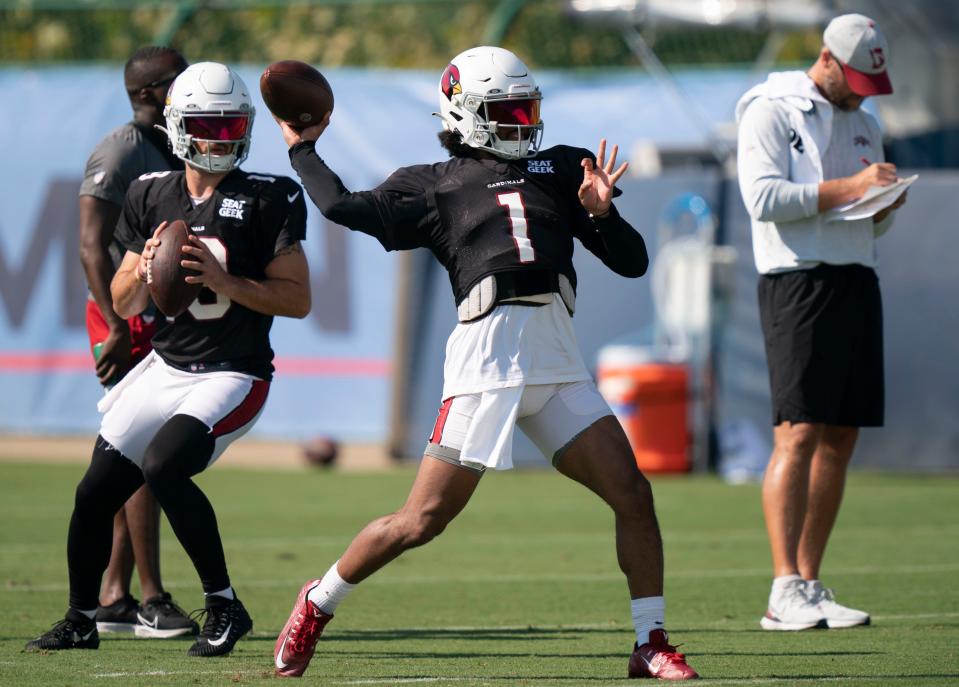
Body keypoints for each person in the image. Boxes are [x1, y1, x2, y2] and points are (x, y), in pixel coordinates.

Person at [272, 46, 699, 680]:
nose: (524, 121)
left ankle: (649, 641)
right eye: (508, 110)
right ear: (465, 112)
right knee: (419, 521)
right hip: (487, 361)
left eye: (528, 107)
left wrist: (602, 214)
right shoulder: (435, 183)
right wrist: (302, 149)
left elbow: (632, 260)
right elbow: (342, 208)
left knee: (633, 493)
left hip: (556, 357)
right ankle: (319, 599)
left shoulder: (561, 167)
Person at [25, 61, 310, 657]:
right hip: (166, 366)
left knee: (165, 466)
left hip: (234, 371)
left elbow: (299, 299)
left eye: (233, 123)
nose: (223, 136)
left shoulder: (269, 196)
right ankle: (81, 617)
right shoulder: (150, 192)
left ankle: (225, 606)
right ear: (180, 125)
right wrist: (148, 264)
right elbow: (125, 299)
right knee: (93, 492)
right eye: (209, 124)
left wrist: (226, 281)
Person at [735, 14, 906, 631]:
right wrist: (849, 188)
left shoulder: (866, 120)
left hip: (857, 277)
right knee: (798, 432)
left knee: (840, 436)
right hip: (796, 280)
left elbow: (870, 218)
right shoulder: (770, 109)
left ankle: (808, 583)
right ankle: (782, 588)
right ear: (828, 61)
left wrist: (883, 202)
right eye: (855, 79)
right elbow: (762, 198)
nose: (862, 93)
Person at [78, 44, 194, 639]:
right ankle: (151, 596)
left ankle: (115, 594)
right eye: (176, 80)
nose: (188, 85)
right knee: (140, 453)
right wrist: (117, 325)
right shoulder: (122, 149)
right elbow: (91, 244)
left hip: (156, 307)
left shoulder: (177, 143)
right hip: (124, 313)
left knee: (146, 452)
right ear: (147, 92)